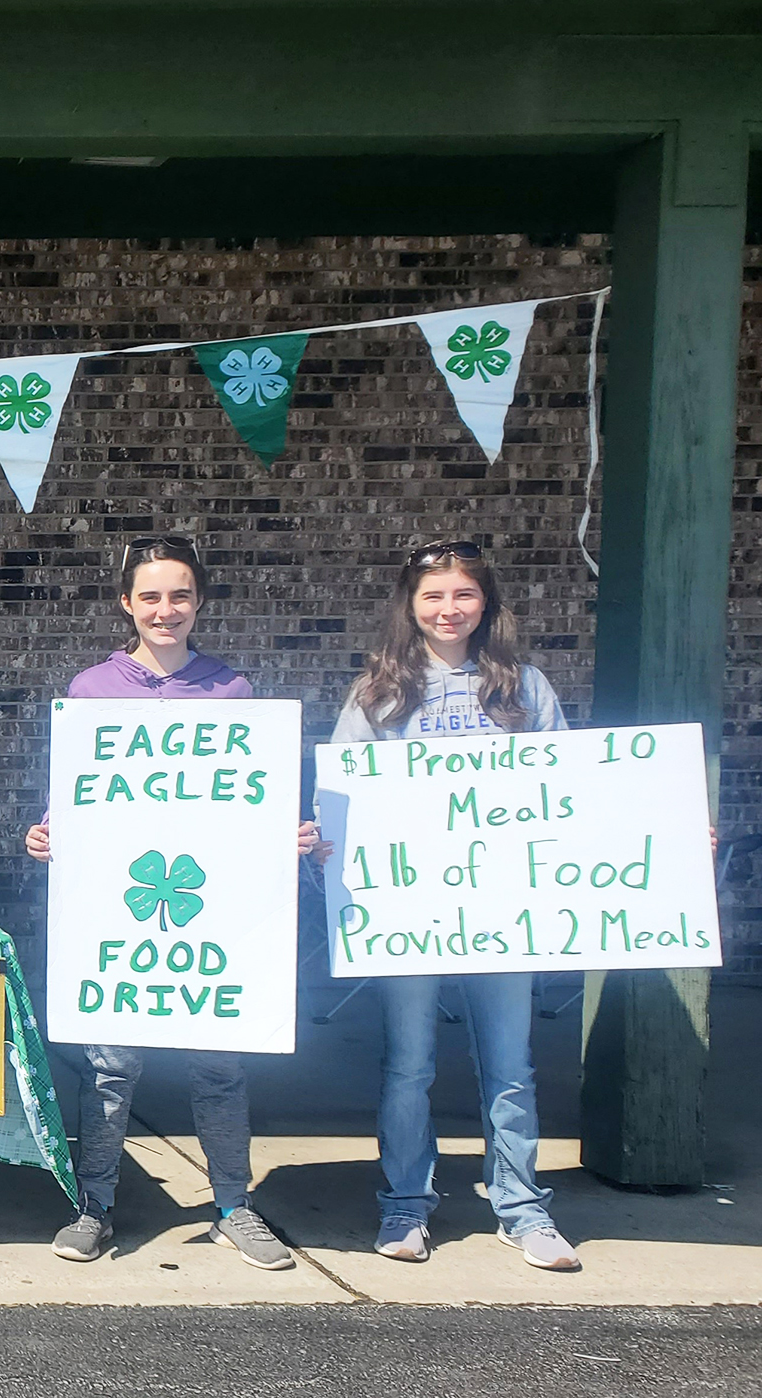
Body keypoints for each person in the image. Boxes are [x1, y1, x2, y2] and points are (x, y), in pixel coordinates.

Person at [25, 535, 324, 1271]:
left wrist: (288, 834)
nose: (167, 609)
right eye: (151, 596)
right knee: (109, 1065)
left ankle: (232, 1205)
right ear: (126, 603)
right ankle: (95, 1206)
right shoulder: (91, 690)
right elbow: (74, 800)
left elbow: (252, 802)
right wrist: (46, 834)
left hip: (210, 911)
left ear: (200, 602)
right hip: (120, 911)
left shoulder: (234, 692)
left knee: (220, 1067)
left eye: (181, 595)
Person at [330, 540, 578, 1272]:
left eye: (462, 595)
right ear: (410, 606)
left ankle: (522, 1208)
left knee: (511, 1067)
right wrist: (321, 835)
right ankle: (406, 1204)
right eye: (433, 597)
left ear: (485, 603)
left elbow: (571, 791)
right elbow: (340, 796)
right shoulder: (378, 691)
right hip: (409, 914)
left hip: (505, 912)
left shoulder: (524, 687)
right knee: (409, 1066)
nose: (448, 609)